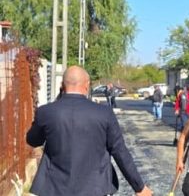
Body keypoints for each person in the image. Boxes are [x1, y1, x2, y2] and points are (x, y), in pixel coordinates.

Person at [26, 66, 153, 196]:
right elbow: (120, 151)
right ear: (87, 85)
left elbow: (33, 140)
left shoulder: (46, 112)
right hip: (95, 188)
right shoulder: (104, 113)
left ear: (62, 85)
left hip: (55, 189)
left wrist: (58, 99)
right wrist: (139, 187)